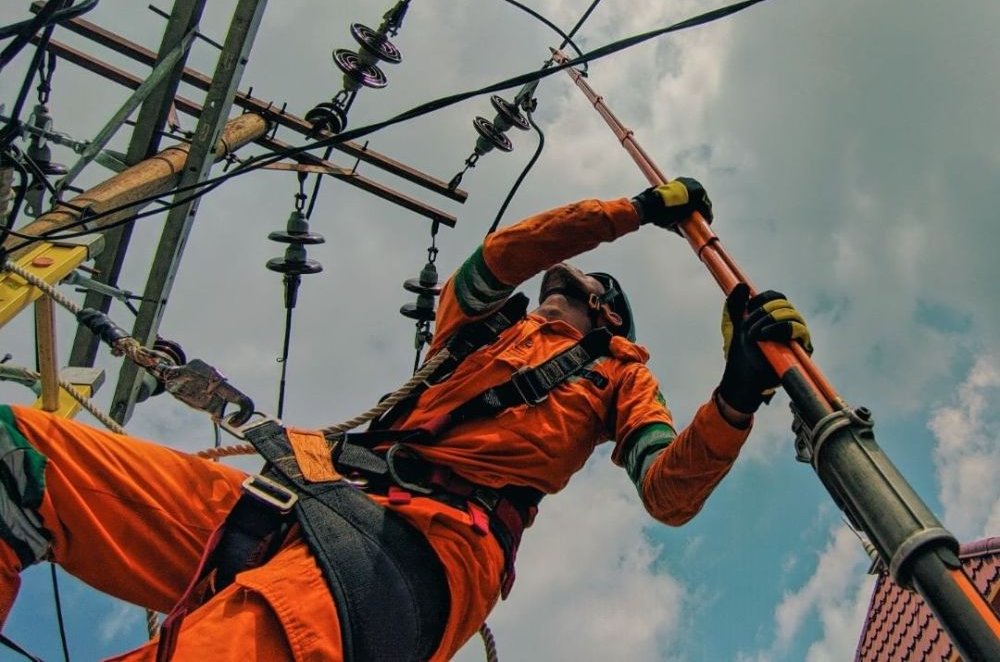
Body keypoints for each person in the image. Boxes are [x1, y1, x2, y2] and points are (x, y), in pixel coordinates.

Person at [0, 178, 811, 661]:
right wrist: (629, 212)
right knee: (15, 455)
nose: (570, 275)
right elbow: (504, 253)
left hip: (423, 550)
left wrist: (737, 393)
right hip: (309, 488)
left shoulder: (621, 375)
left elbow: (668, 489)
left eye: (591, 280)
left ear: (607, 313)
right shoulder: (483, 324)